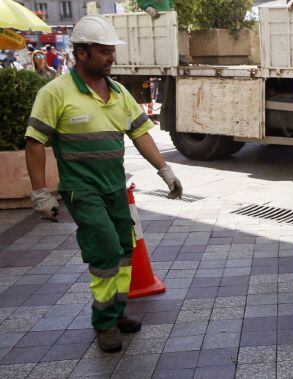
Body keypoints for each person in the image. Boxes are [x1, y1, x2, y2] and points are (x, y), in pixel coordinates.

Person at [24, 15, 183, 353]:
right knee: (107, 250)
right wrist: (40, 193)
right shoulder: (55, 92)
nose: (112, 57)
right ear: (82, 54)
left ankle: (117, 310)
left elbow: (140, 134)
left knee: (125, 251)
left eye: (112, 50)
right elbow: (35, 142)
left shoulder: (118, 92)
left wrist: (165, 171)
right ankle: (104, 323)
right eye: (104, 51)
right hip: (82, 189)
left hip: (115, 187)